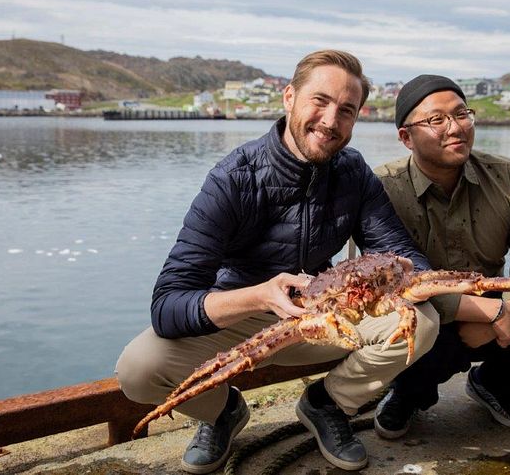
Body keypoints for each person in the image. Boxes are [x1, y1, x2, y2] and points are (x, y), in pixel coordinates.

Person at [115, 51, 439, 474]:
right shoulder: (233, 178)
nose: (330, 120)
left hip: (321, 317)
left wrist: (399, 276)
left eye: (346, 110)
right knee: (138, 369)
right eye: (319, 101)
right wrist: (258, 296)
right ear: (289, 97)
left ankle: (327, 403)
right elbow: (168, 304)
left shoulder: (353, 172)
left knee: (422, 321)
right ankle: (221, 413)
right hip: (241, 318)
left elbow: (401, 252)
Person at [373, 75, 510, 438]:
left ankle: (494, 385)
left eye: (462, 114)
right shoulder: (382, 189)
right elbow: (383, 286)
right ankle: (407, 396)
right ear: (406, 137)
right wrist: (482, 314)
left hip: (493, 293)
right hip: (424, 308)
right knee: (411, 333)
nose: (455, 128)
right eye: (436, 120)